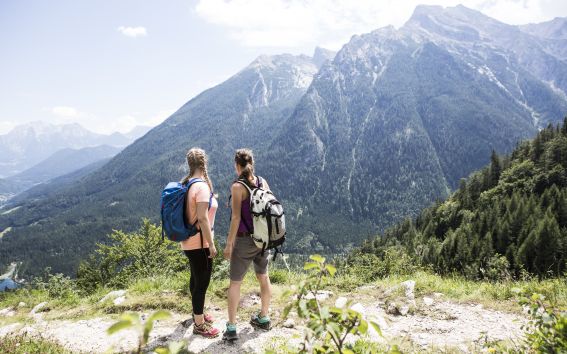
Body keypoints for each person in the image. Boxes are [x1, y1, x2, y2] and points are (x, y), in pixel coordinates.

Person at [223, 148, 272, 341]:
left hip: (244, 240)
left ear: (237, 165)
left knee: (235, 282)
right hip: (263, 238)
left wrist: (229, 244)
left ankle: (232, 327)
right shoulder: (262, 181)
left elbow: (235, 218)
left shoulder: (237, 187)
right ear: (252, 163)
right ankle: (264, 317)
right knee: (263, 276)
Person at [180, 148, 220, 338]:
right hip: (200, 243)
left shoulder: (189, 184)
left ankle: (198, 313)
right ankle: (199, 324)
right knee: (202, 284)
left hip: (189, 242)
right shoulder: (202, 187)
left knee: (195, 280)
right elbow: (203, 219)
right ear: (204, 164)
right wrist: (211, 245)